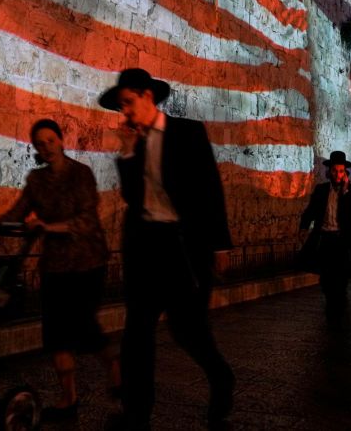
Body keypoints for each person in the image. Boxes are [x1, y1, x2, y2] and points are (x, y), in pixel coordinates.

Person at [98, 68, 235, 429]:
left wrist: (220, 246)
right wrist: (126, 156)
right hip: (145, 247)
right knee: (137, 333)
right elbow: (132, 197)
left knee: (188, 331)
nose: (124, 112)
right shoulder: (135, 142)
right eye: (121, 106)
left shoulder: (188, 132)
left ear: (147, 96)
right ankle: (136, 414)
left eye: (128, 102)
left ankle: (220, 376)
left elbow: (210, 188)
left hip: (182, 247)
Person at [0, 119, 118, 422]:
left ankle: (116, 371)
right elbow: (19, 211)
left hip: (87, 262)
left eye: (51, 140)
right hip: (55, 265)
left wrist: (48, 226)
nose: (46, 147)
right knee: (56, 334)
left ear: (61, 141)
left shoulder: (81, 174)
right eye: (40, 143)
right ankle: (68, 397)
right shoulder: (36, 181)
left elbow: (88, 220)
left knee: (84, 326)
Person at [300, 151, 351, 326]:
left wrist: (346, 192)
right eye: (335, 171)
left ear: (345, 173)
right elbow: (311, 210)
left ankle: (338, 310)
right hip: (325, 240)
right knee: (326, 279)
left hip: (342, 242)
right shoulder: (321, 190)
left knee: (341, 278)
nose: (338, 174)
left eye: (341, 171)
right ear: (330, 171)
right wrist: (303, 227)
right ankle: (332, 306)